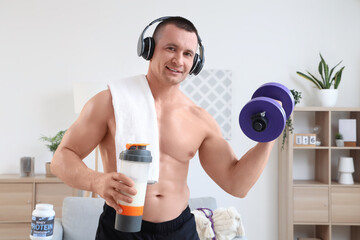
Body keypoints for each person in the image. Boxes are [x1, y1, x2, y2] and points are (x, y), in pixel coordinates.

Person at [51, 16, 276, 239]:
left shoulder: (199, 119)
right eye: (171, 48)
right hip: (121, 227)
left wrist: (270, 135)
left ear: (195, 62)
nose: (179, 60)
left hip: (179, 230)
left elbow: (237, 185)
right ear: (149, 50)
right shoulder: (109, 102)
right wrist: (96, 181)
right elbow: (61, 159)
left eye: (188, 54)